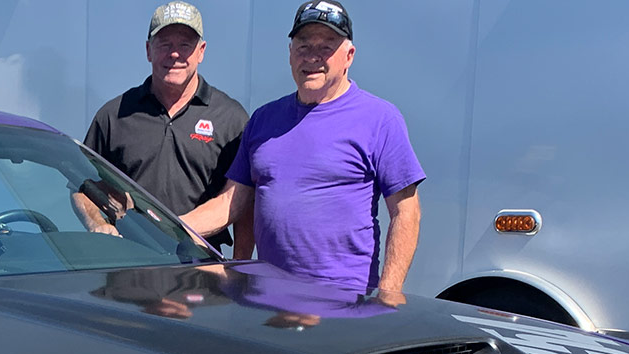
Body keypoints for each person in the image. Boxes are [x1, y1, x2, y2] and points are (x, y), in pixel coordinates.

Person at [182, 1, 425, 293]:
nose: (313, 58)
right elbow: (229, 204)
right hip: (271, 300)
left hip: (344, 301)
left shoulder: (380, 119)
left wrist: (389, 292)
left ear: (349, 56)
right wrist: (163, 226)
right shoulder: (264, 120)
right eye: (304, 46)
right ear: (290, 54)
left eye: (326, 47)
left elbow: (406, 212)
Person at [78, 2, 249, 250]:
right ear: (148, 50)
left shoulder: (231, 119)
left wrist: (239, 265)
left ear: (201, 51)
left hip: (200, 266)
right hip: (128, 263)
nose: (175, 54)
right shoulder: (115, 115)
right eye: (165, 44)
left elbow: (243, 202)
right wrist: (97, 224)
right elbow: (83, 187)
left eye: (184, 45)